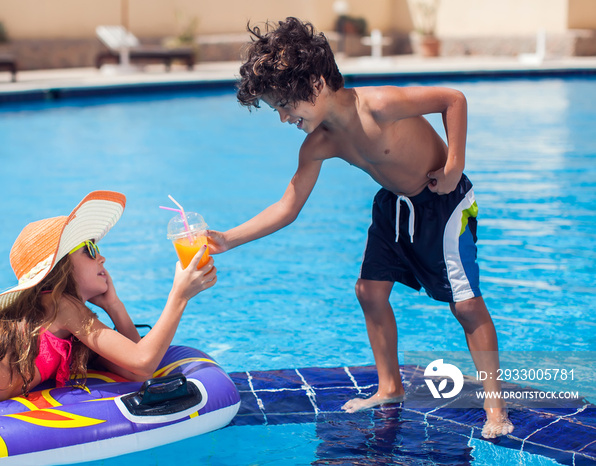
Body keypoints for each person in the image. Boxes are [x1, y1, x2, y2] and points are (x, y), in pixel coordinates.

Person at [206, 17, 513, 438]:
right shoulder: (320, 143)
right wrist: (227, 239)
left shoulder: (379, 105)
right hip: (393, 205)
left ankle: (495, 408)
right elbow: (288, 205)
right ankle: (390, 386)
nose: (281, 117)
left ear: (313, 83)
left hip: (441, 202)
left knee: (464, 306)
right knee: (368, 291)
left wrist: (454, 165)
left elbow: (453, 100)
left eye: (283, 104)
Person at [0, 190, 216, 435]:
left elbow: (137, 369)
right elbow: (143, 361)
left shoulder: (66, 326)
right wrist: (179, 295)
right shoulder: (62, 306)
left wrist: (114, 305)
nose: (102, 258)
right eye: (90, 250)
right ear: (61, 267)